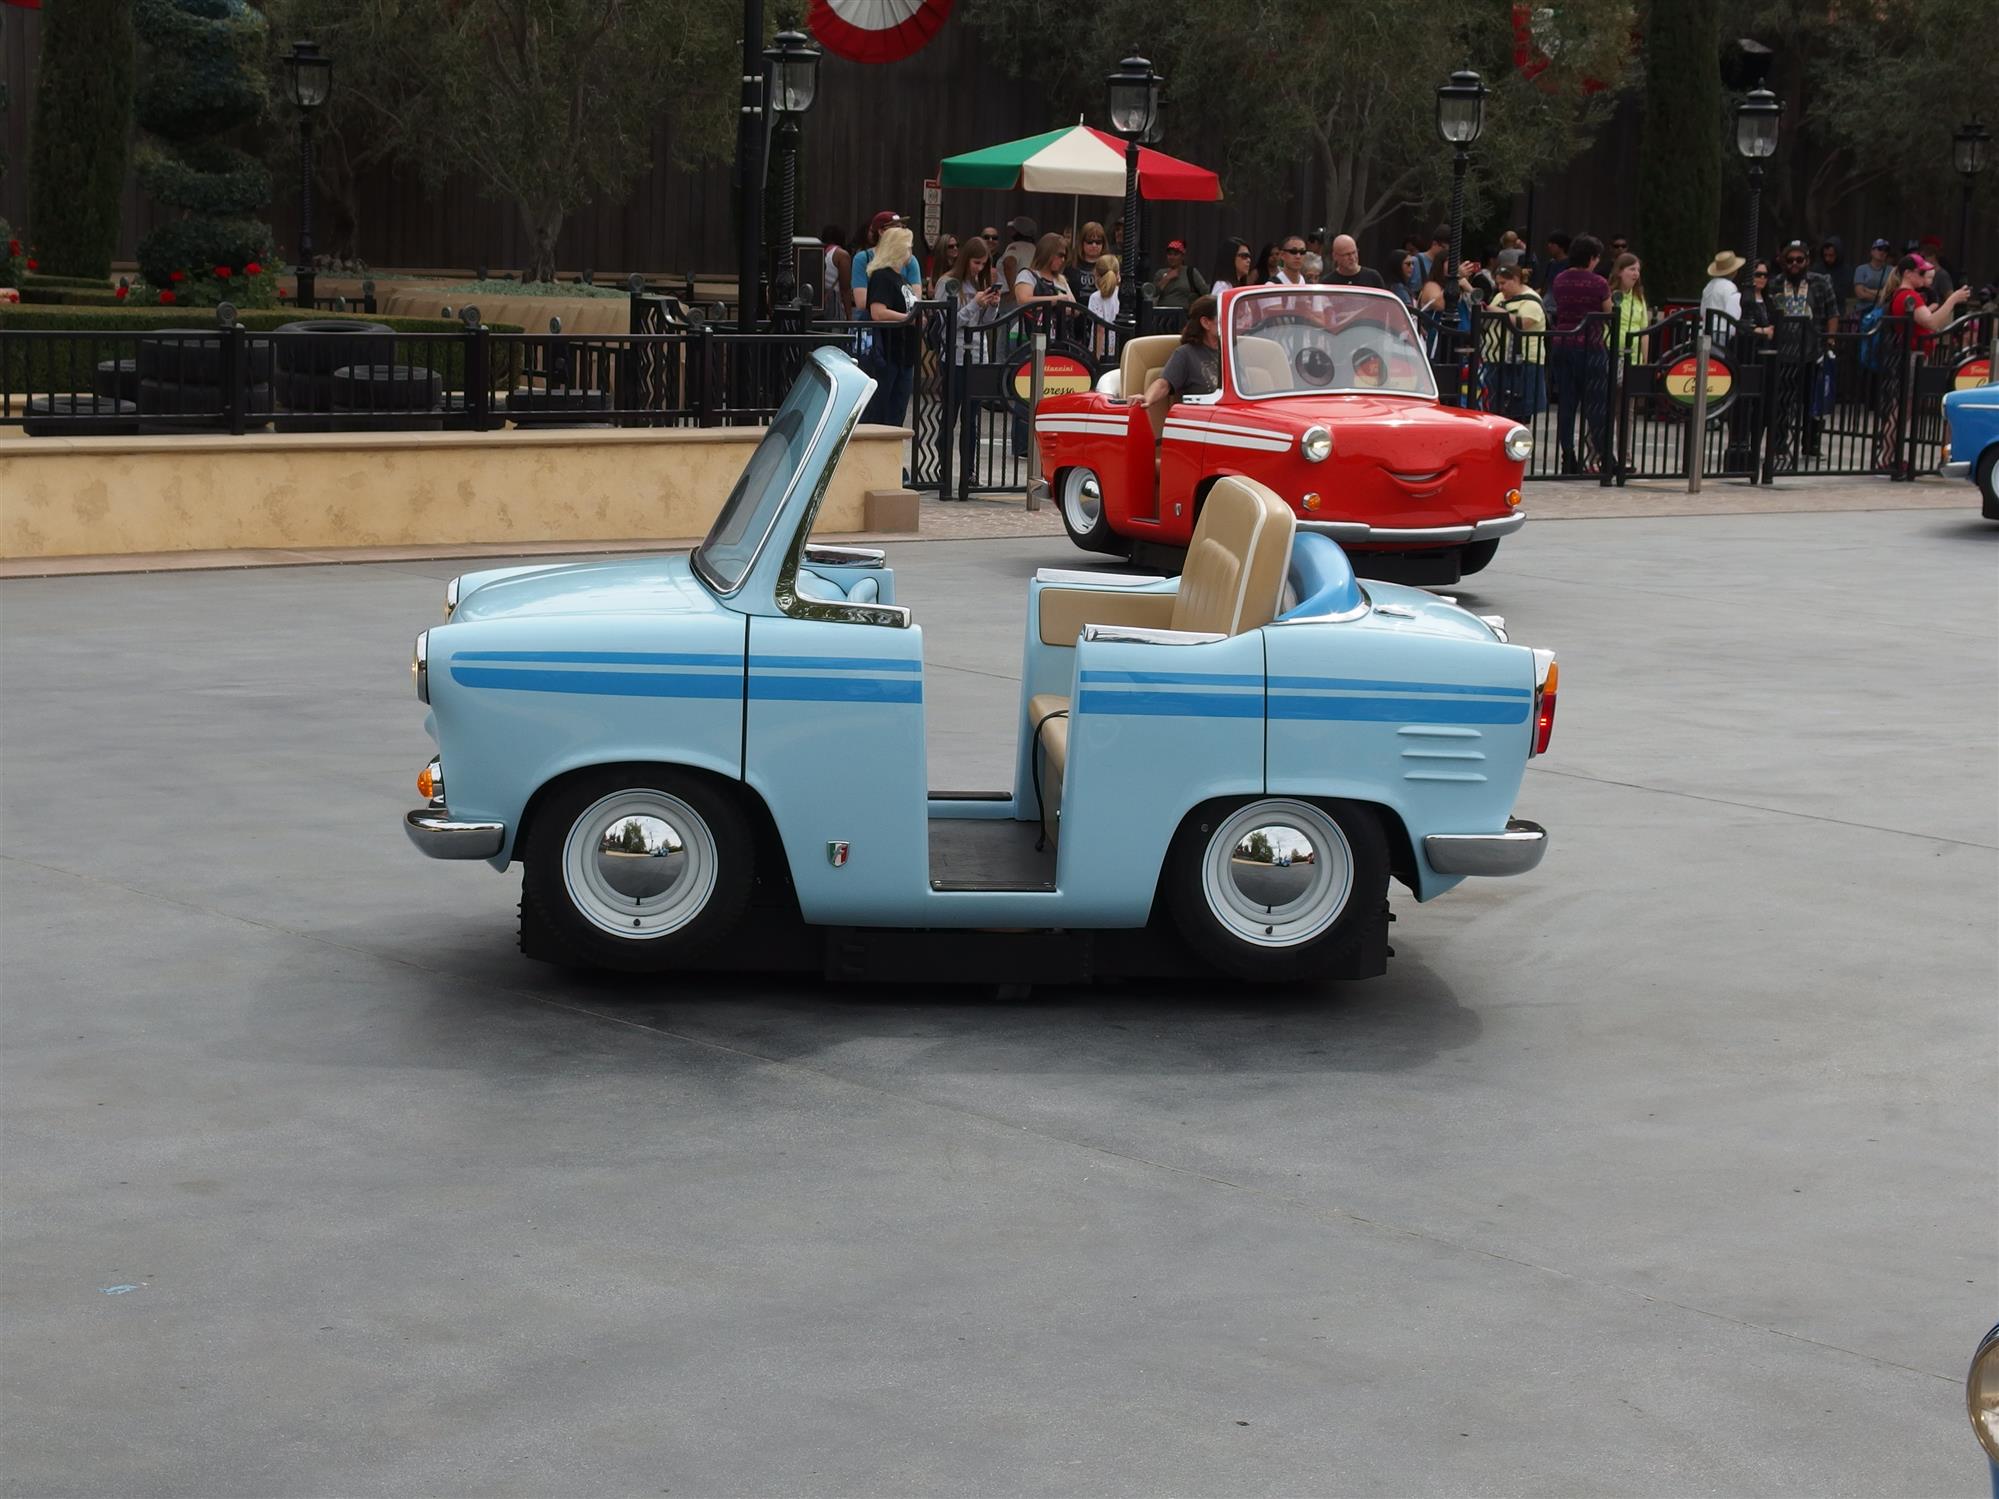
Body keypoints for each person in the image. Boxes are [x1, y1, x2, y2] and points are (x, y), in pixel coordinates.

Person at [1876, 254, 1970, 475]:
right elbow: (1932, 323)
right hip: (1912, 355)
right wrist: (1952, 300)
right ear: (1908, 274)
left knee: (1903, 408)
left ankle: (1889, 456)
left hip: (1912, 354)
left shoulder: (1906, 295)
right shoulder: (1908, 296)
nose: (1924, 276)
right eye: (1921, 272)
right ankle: (1885, 457)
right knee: (1902, 409)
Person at [935, 235, 1005, 496]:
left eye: (983, 263)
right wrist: (975, 304)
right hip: (954, 357)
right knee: (950, 416)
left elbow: (984, 324)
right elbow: (949, 323)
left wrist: (992, 306)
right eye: (976, 262)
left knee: (972, 420)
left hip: (977, 356)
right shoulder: (948, 283)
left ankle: (969, 472)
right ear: (966, 259)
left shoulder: (979, 283)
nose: (979, 268)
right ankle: (944, 470)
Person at [1769, 239, 1841, 462]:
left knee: (1813, 401)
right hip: (1784, 351)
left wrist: (1830, 340)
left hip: (1812, 349)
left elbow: (1832, 313)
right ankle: (1779, 446)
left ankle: (1811, 445)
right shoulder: (1776, 283)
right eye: (1790, 260)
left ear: (1807, 261)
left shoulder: (1820, 282)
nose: (1794, 264)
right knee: (1781, 402)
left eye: (1799, 260)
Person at [1550, 234, 1611, 475]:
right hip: (1590, 345)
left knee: (1567, 402)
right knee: (1596, 404)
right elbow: (1608, 312)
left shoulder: (1560, 279)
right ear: (1592, 258)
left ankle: (1568, 455)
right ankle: (1604, 455)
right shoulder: (1599, 283)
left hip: (1562, 342)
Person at [1136, 293, 1219, 434]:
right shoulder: (1186, 354)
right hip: (1199, 428)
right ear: (1206, 323)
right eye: (1223, 317)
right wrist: (1147, 399)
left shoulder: (1229, 352)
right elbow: (1164, 384)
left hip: (1226, 422)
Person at [861, 225, 919, 427]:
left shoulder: (901, 278)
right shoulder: (882, 276)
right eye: (908, 246)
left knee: (897, 411)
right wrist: (908, 318)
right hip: (887, 354)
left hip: (904, 354)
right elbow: (877, 312)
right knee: (882, 412)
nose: (910, 251)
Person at [1484, 259, 1546, 420]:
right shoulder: (1500, 296)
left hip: (1524, 361)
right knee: (1495, 405)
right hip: (1497, 357)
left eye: (1503, 283)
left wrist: (1502, 314)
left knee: (1520, 409)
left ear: (1516, 280)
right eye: (1498, 283)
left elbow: (1523, 324)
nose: (1500, 287)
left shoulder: (1531, 301)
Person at [850, 210, 919, 315]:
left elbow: (916, 300)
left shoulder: (910, 261)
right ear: (881, 232)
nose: (901, 231)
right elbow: (863, 303)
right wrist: (906, 316)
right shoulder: (866, 261)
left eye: (902, 227)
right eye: (896, 228)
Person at [1152, 238, 1209, 308]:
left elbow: (1206, 293)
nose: (1172, 257)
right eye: (1169, 254)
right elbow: (1153, 293)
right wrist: (1167, 278)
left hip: (1184, 312)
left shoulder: (1191, 272)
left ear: (1182, 256)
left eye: (1176, 254)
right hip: (1163, 312)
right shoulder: (1160, 273)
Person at [1067, 221, 1108, 302]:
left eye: (1098, 242)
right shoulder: (1071, 263)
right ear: (1082, 242)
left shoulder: (1109, 265)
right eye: (1090, 242)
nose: (1094, 245)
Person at [817, 225, 851, 322]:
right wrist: (849, 317)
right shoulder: (841, 255)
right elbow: (845, 288)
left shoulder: (818, 252)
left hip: (818, 302)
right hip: (834, 301)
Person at [1088, 252, 1122, 340]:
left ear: (1096, 273)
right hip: (1119, 344)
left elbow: (1100, 329)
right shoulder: (1122, 295)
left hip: (1101, 346)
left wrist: (1097, 350)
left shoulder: (1095, 297)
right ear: (1118, 274)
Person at [1852, 238, 1892, 309]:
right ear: (1872, 251)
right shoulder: (1861, 269)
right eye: (1880, 249)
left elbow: (1890, 294)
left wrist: (1868, 290)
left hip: (1883, 311)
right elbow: (1860, 294)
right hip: (1864, 310)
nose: (1882, 252)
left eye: (1886, 250)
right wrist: (1882, 297)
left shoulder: (1890, 270)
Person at [999, 215, 1038, 286]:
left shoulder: (1015, 246)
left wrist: (1012, 289)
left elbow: (1009, 263)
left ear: (1018, 231)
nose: (1010, 231)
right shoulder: (1035, 248)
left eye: (1013, 229)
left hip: (1011, 291)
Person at [1817, 235, 1849, 315]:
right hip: (1818, 310)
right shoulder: (1817, 269)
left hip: (1838, 310)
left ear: (1838, 254)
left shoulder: (1845, 270)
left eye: (1831, 255)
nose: (1827, 259)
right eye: (1825, 255)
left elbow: (1841, 293)